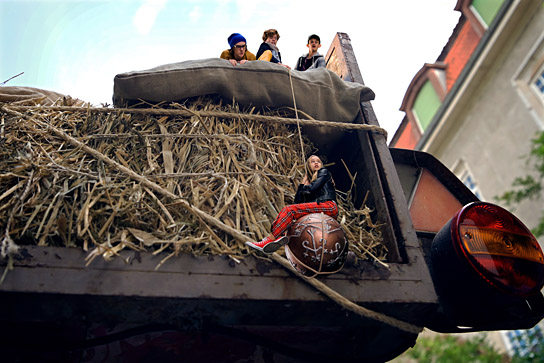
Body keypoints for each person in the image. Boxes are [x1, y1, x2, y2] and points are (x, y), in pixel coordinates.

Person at [246, 155, 337, 253]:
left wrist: (305, 188)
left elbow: (311, 189)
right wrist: (302, 184)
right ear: (308, 166)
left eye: (318, 161)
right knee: (294, 222)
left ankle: (269, 240)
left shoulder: (324, 172)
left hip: (328, 206)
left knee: (289, 210)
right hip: (321, 210)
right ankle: (283, 236)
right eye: (312, 161)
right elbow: (298, 202)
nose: (316, 163)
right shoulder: (310, 181)